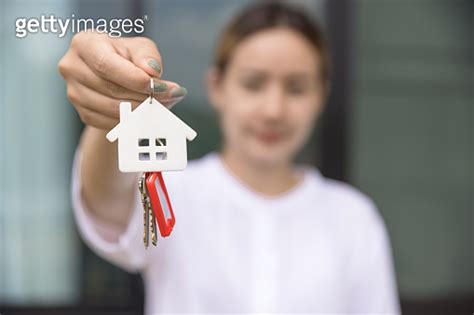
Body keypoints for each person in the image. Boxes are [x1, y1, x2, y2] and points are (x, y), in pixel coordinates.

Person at [58, 2, 400, 314]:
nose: (273, 110)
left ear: (321, 95)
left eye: (296, 88)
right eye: (253, 83)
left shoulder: (354, 218)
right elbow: (104, 200)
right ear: (217, 87)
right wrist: (110, 111)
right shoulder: (171, 190)